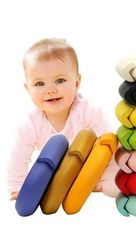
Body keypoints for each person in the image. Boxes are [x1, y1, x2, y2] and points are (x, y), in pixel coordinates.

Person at [7, 38, 120, 200]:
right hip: (59, 173)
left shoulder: (87, 111)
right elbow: (18, 157)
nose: (51, 90)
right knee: (45, 183)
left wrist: (100, 173)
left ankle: (103, 183)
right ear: (28, 88)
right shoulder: (31, 124)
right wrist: (17, 187)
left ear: (77, 82)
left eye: (60, 81)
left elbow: (109, 145)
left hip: (91, 167)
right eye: (39, 84)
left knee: (114, 185)